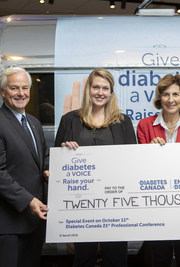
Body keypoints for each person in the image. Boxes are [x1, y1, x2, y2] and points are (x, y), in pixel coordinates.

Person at [54, 68, 136, 267]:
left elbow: (134, 162)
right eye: (96, 87)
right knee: (83, 257)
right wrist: (65, 153)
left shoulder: (123, 122)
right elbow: (54, 161)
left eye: (105, 88)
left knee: (116, 258)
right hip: (81, 204)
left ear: (111, 92)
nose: (100, 92)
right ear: (88, 90)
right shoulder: (69, 120)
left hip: (115, 203)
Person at [0, 67, 49, 267]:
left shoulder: (34, 123)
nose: (21, 93)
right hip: (7, 222)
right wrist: (29, 201)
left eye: (25, 88)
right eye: (14, 88)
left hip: (33, 220)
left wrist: (48, 170)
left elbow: (41, 159)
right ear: (3, 92)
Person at [137, 73, 180, 267]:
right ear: (160, 98)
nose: (170, 100)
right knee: (159, 256)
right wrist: (149, 149)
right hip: (157, 201)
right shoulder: (144, 125)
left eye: (175, 95)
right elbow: (141, 165)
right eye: (166, 94)